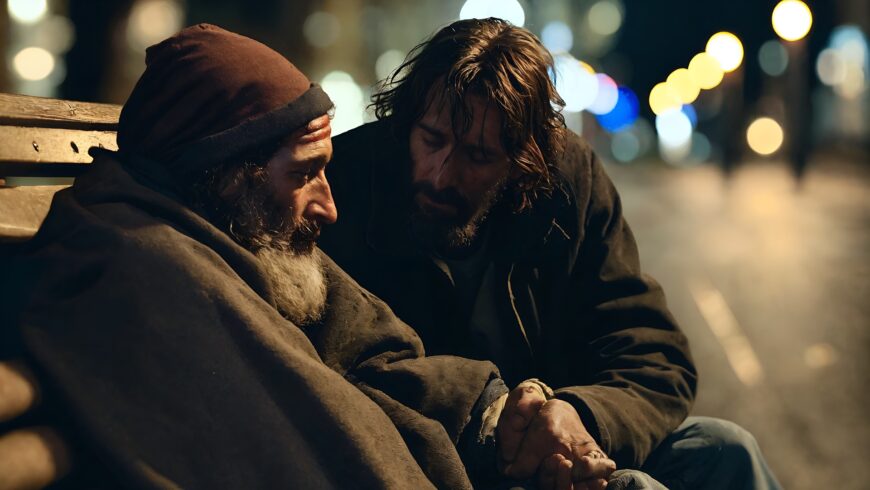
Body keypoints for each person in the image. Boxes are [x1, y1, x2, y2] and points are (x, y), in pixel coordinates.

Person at [0, 24, 521, 489]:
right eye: (302, 174)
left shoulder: (240, 233)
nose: (329, 207)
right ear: (228, 178)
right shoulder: (152, 266)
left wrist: (498, 413)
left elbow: (373, 346)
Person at [318, 17, 781, 489]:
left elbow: (651, 352)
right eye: (431, 140)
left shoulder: (568, 184)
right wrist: (497, 419)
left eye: (477, 157)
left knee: (726, 448)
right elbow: (342, 364)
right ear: (407, 123)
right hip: (426, 459)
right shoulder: (342, 186)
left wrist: (582, 414)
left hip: (559, 456)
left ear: (523, 162)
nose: (441, 174)